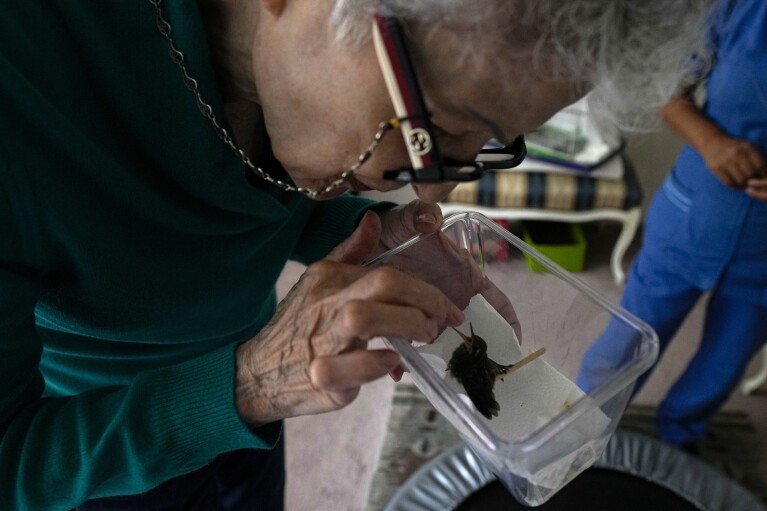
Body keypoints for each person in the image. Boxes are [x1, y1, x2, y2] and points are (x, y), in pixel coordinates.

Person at [0, 1, 713, 509]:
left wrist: (373, 231)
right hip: (89, 453)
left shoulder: (289, 82)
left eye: (480, 152)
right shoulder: (24, 90)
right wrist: (248, 383)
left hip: (242, 429)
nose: (435, 186)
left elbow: (251, 198)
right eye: (437, 132)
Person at [578, 0, 767, 453]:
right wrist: (713, 142)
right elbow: (668, 92)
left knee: (723, 364)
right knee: (625, 345)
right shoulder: (742, 8)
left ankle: (679, 440)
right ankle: (580, 436)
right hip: (692, 216)